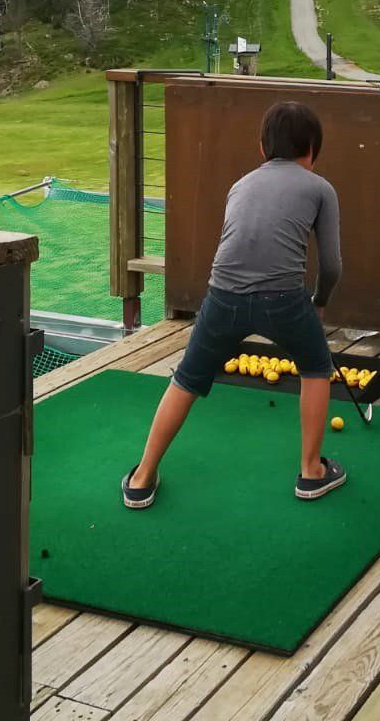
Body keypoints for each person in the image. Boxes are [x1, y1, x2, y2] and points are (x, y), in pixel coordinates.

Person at [121, 101, 346, 507]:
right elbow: (331, 265)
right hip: (285, 298)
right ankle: (311, 471)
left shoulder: (239, 185)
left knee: (187, 378)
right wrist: (319, 302)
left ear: (262, 148)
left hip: (222, 296)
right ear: (313, 148)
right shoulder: (320, 188)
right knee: (316, 367)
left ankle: (142, 476)